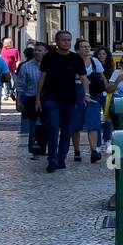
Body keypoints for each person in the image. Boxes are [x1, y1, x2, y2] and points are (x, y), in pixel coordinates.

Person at [35, 30, 90, 172]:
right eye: (63, 40)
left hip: (69, 99)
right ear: (57, 41)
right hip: (51, 98)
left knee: (67, 129)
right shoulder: (49, 57)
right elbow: (42, 78)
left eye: (68, 40)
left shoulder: (75, 58)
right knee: (52, 128)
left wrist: (86, 94)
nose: (66, 42)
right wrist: (38, 98)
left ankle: (61, 157)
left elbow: (84, 78)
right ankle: (52, 159)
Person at [70, 39, 106, 162]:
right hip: (76, 92)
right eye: (83, 46)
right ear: (77, 49)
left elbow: (102, 78)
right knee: (75, 123)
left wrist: (106, 89)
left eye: (88, 46)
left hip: (93, 93)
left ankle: (94, 150)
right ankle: (77, 150)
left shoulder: (94, 61)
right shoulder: (72, 61)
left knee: (93, 121)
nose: (86, 49)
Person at [14, 44, 46, 159]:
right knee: (34, 124)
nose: (37, 52)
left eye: (40, 50)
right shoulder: (26, 66)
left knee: (46, 124)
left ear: (45, 52)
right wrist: (18, 100)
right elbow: (21, 85)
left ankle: (44, 147)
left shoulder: (51, 65)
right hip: (31, 98)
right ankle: (34, 149)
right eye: (35, 50)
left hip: (47, 98)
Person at [93, 46, 114, 148]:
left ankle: (107, 139)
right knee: (96, 118)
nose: (101, 56)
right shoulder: (93, 65)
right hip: (96, 93)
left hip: (107, 94)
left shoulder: (111, 67)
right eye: (99, 54)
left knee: (108, 119)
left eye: (103, 54)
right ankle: (97, 144)